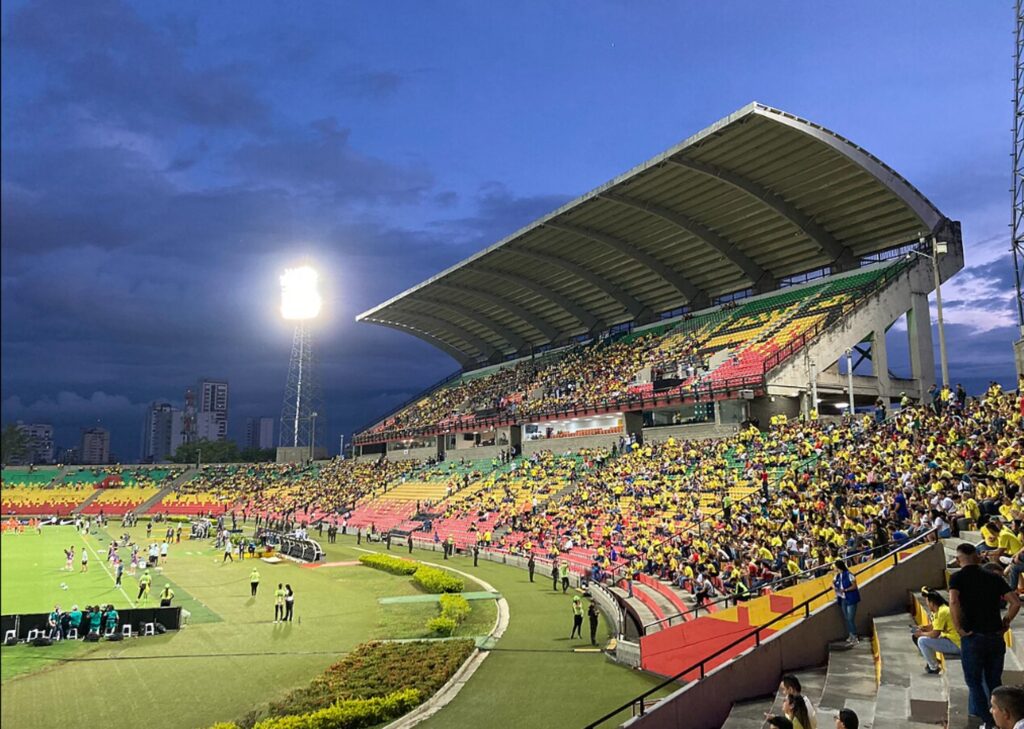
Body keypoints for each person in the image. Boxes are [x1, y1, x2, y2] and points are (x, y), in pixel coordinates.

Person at [950, 542, 1021, 727]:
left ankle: (989, 721)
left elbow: (954, 602)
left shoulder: (957, 578)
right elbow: (1015, 603)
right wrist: (1006, 622)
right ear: (976, 556)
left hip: (973, 637)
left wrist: (958, 628)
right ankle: (999, 719)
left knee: (974, 682)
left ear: (958, 560)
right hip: (995, 636)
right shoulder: (993, 577)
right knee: (994, 681)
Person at [913, 589, 961, 674]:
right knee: (922, 638)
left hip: (956, 644)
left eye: (927, 602)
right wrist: (923, 628)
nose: (927, 604)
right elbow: (934, 626)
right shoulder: (939, 610)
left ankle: (933, 667)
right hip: (949, 640)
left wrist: (921, 634)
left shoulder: (942, 612)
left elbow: (935, 634)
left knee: (922, 641)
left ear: (932, 602)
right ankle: (931, 661)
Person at [832, 560, 860, 644]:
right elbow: (832, 583)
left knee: (850, 618)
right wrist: (834, 587)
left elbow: (854, 586)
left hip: (850, 598)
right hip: (843, 598)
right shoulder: (837, 576)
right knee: (847, 618)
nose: (834, 568)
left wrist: (846, 590)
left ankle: (854, 636)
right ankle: (850, 635)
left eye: (835, 567)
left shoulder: (849, 574)